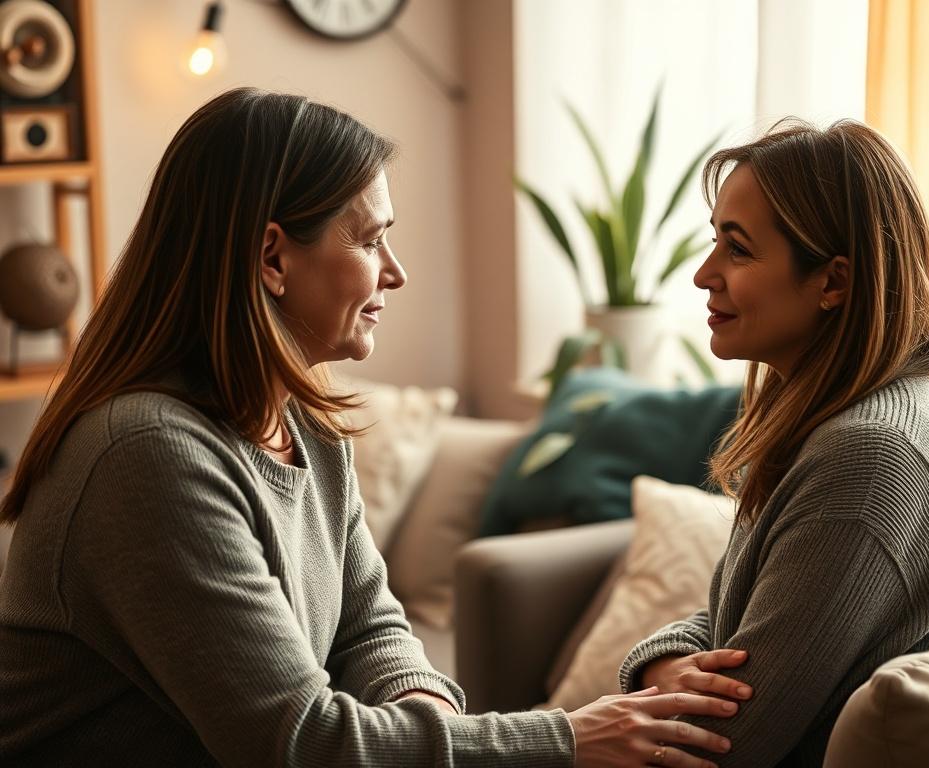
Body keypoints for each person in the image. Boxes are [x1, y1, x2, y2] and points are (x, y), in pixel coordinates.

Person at [0, 88, 737, 768]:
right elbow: (297, 741)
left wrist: (428, 727)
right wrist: (568, 738)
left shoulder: (307, 424)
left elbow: (370, 630)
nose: (396, 271)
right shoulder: (148, 455)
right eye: (369, 240)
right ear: (272, 257)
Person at [617, 120, 929, 767]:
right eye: (715, 241)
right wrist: (659, 666)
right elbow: (727, 625)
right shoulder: (832, 417)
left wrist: (647, 676)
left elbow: (723, 746)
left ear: (832, 283)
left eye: (737, 251)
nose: (703, 275)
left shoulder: (869, 458)